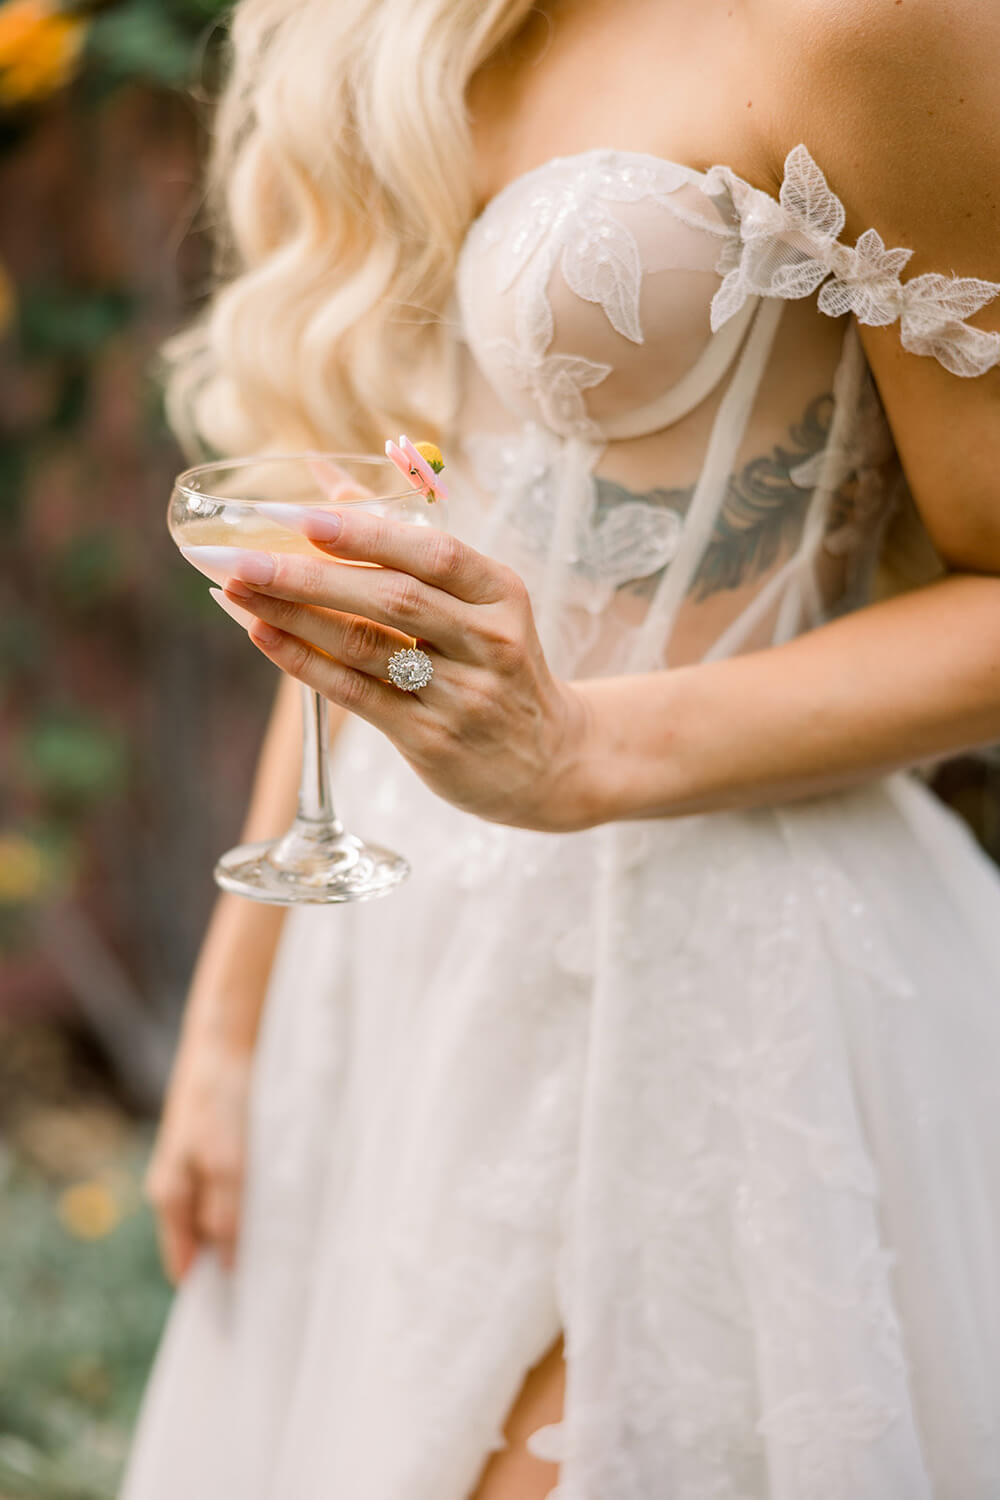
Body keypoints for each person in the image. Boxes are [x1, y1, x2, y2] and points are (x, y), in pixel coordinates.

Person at [121, 0, 1000, 1495]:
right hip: (393, 950)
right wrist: (229, 1024)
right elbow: (371, 571)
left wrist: (588, 748)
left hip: (721, 964)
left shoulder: (885, 26)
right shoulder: (395, 25)